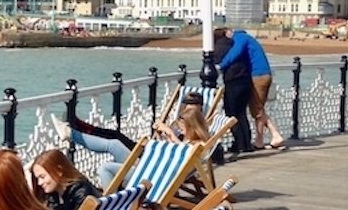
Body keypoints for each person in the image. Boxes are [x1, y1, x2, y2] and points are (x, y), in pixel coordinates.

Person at [53, 92, 207, 187]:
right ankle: (72, 132)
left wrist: (171, 135)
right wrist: (164, 138)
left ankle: (112, 203)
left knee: (107, 162)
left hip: (151, 175)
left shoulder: (197, 145)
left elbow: (186, 153)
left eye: (183, 128)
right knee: (114, 142)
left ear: (193, 127)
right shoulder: (189, 142)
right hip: (149, 166)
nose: (180, 130)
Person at [218, 28, 286, 150]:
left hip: (258, 75)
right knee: (257, 108)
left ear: (229, 32)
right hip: (263, 74)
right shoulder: (248, 38)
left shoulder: (240, 38)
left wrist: (221, 65)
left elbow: (234, 53)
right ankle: (260, 140)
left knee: (257, 109)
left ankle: (275, 135)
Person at [29, 149, 101, 210]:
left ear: (59, 171)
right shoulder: (54, 196)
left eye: (42, 177)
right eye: (37, 178)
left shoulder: (81, 193)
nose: (39, 183)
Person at [214, 27, 253, 155]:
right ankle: (247, 144)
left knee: (231, 113)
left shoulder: (219, 46)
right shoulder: (235, 44)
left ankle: (238, 143)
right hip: (246, 80)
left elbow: (216, 61)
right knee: (242, 113)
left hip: (233, 81)